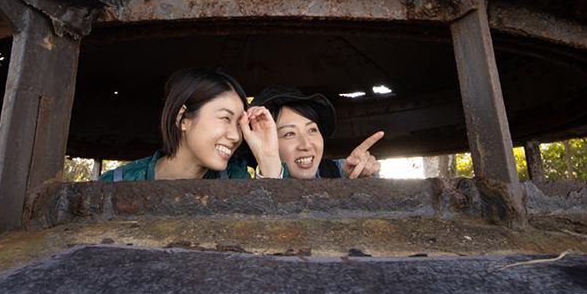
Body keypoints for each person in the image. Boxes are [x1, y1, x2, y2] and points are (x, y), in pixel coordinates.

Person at [102, 68, 282, 181]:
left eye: (238, 124)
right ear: (182, 118)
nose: (235, 136)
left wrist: (268, 157)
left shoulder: (235, 179)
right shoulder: (116, 183)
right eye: (225, 118)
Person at [249, 86, 383, 179]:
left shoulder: (340, 171)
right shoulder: (245, 190)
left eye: (312, 130)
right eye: (289, 134)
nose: (306, 145)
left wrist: (363, 176)